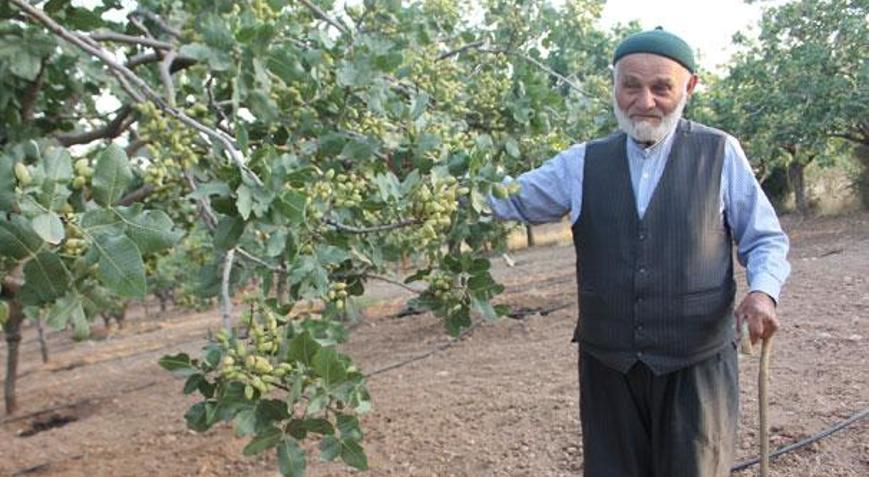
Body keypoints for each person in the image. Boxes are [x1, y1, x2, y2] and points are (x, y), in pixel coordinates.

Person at [488, 27, 790, 477]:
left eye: (660, 87)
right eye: (630, 85)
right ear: (613, 85)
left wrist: (763, 293)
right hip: (608, 366)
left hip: (696, 366)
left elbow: (765, 238)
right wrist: (435, 183)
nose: (643, 102)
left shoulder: (720, 154)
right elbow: (506, 197)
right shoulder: (581, 163)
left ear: (689, 87)